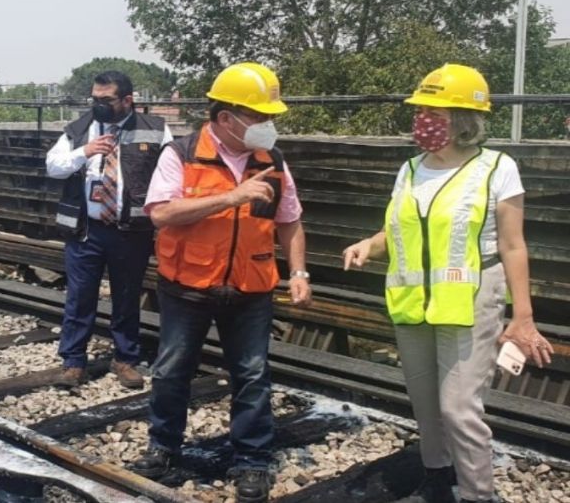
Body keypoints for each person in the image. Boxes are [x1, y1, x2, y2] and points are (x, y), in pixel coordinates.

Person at [342, 64, 554, 503]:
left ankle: (478, 494)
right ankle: (437, 479)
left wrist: (524, 318)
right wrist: (368, 244)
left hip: (471, 301)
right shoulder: (410, 169)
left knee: (458, 409)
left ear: (464, 121)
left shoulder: (497, 168)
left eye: (435, 111)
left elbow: (514, 246)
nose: (423, 120)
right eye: (422, 110)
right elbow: (401, 231)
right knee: (425, 402)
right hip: (413, 304)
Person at [131, 62, 312, 503]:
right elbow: (161, 214)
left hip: (252, 286)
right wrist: (230, 198)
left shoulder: (273, 160)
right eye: (260, 116)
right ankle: (164, 447)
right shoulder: (183, 153)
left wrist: (300, 272)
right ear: (226, 118)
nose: (268, 125)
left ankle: (251, 459)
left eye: (271, 117)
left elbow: (291, 221)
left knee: (252, 374)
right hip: (188, 285)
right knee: (173, 369)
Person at [46, 71, 174, 388]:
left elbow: (172, 172)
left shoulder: (155, 130)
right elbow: (53, 167)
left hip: (131, 231)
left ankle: (125, 359)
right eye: (95, 99)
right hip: (86, 230)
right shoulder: (79, 129)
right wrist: (84, 152)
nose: (98, 105)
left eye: (106, 100)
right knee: (80, 298)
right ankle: (73, 361)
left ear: (127, 100)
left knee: (127, 297)